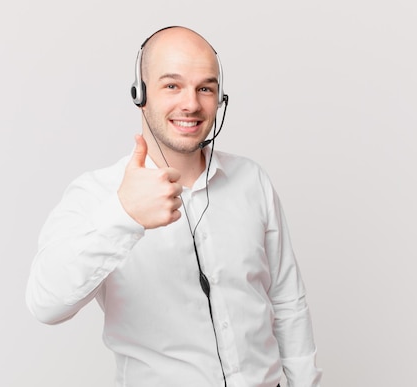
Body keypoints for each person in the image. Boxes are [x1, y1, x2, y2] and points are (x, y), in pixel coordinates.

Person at [26, 26, 322, 387]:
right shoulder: (96, 194)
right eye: (172, 85)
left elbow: (287, 302)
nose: (192, 104)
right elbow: (45, 303)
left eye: (205, 88)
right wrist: (124, 216)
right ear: (141, 94)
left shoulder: (252, 180)